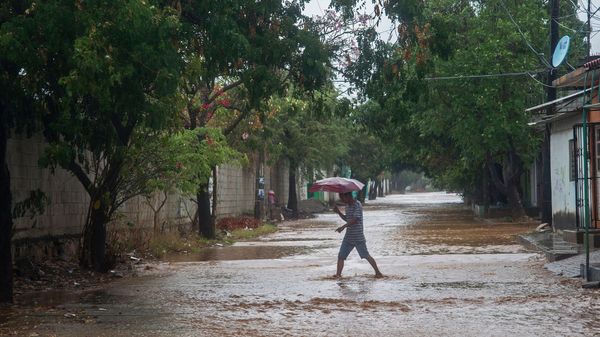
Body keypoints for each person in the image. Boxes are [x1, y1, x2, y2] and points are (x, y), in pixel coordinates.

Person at [333, 191, 383, 278]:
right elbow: (347, 219)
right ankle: (338, 275)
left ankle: (378, 272)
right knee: (341, 256)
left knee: (366, 255)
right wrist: (339, 212)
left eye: (342, 198)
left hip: (358, 237)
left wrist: (343, 227)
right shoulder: (347, 206)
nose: (342, 200)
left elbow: (355, 219)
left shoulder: (357, 205)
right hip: (348, 237)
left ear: (348, 196)